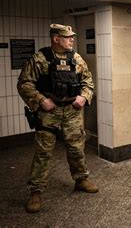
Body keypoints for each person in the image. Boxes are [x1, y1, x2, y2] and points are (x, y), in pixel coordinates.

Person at [17, 24, 97, 213]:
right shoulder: (40, 59)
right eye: (67, 37)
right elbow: (24, 83)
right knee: (43, 152)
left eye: (71, 37)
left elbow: (88, 82)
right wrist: (41, 99)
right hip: (49, 112)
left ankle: (81, 179)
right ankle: (35, 191)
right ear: (55, 39)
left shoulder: (76, 59)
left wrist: (84, 97)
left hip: (72, 110)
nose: (71, 40)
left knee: (77, 147)